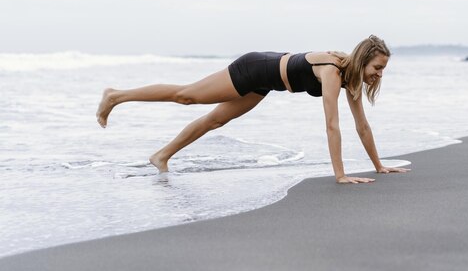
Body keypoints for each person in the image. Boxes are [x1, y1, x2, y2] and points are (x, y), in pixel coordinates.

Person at [96, 35, 410, 184]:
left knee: (215, 121)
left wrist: (379, 166)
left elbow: (362, 126)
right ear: (363, 58)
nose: (379, 74)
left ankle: (161, 156)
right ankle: (116, 95)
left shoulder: (351, 80)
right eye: (378, 67)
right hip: (253, 69)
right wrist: (340, 175)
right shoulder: (332, 70)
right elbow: (332, 124)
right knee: (187, 96)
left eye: (383, 69)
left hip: (267, 83)